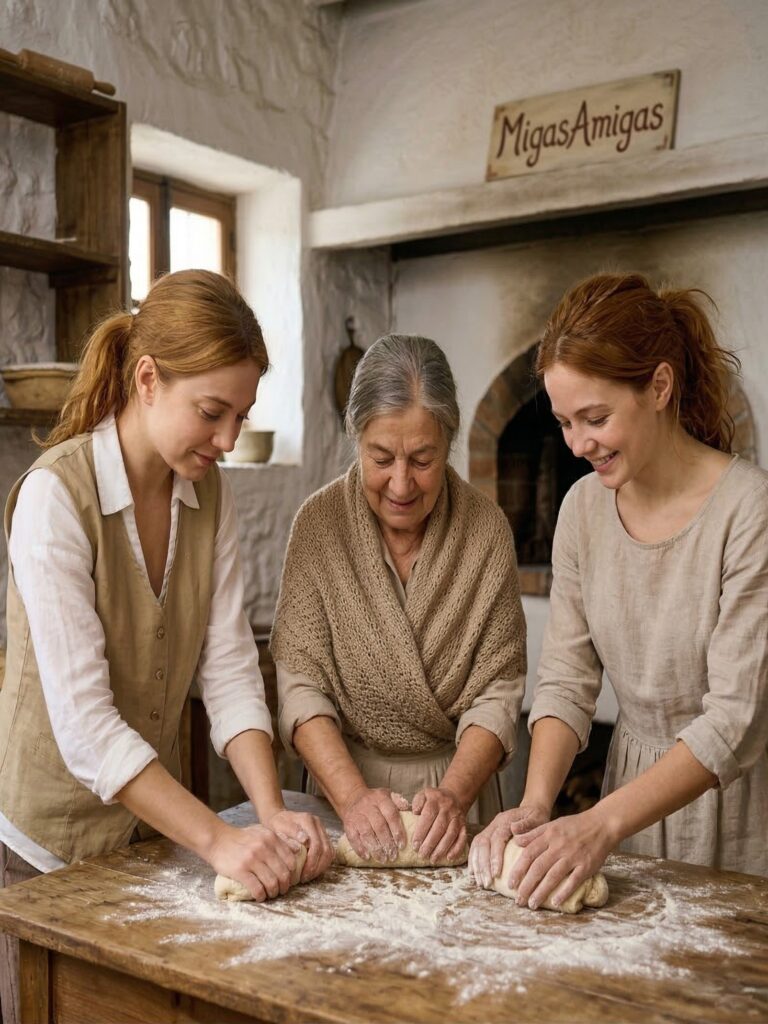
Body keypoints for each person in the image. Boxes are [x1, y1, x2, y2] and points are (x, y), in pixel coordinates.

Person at [0, 270, 333, 1024]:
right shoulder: (56, 499)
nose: (225, 441)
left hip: (148, 842)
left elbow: (230, 669)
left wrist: (267, 810)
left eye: (240, 419)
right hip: (40, 858)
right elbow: (85, 730)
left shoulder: (208, 492)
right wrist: (220, 842)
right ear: (147, 379)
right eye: (212, 413)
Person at [469, 271, 768, 909]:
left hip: (731, 806)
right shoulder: (582, 509)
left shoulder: (748, 509)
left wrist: (601, 822)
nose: (578, 445)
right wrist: (536, 805)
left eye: (595, 418)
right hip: (624, 805)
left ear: (659, 386)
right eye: (564, 423)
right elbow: (568, 677)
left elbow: (735, 721)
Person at [272, 334, 527, 866]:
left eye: (423, 459)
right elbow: (301, 685)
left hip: (455, 802)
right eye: (381, 457)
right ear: (355, 438)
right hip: (341, 792)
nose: (402, 483)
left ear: (449, 442)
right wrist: (352, 799)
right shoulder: (319, 527)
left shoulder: (486, 531)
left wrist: (454, 796)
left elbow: (498, 690)